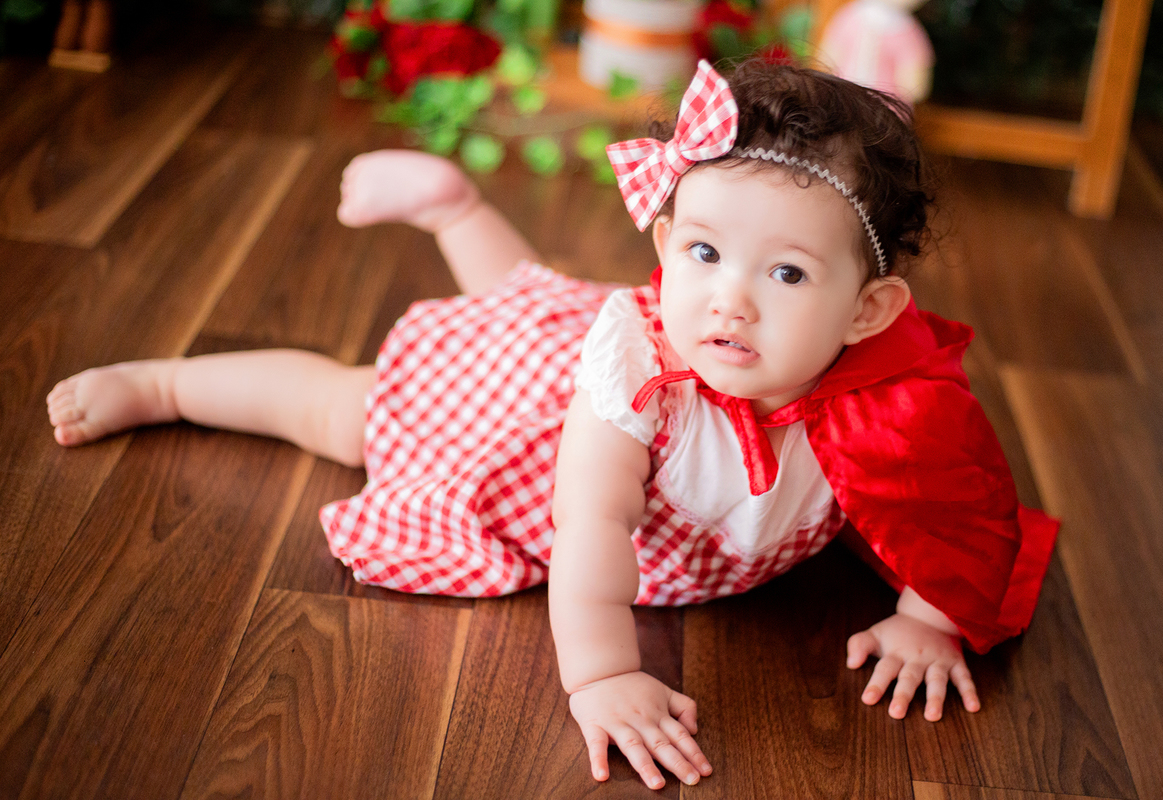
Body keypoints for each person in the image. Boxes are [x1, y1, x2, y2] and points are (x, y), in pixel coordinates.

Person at [46, 58, 1058, 791]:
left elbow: (954, 499)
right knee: (350, 410)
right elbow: (592, 527)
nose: (730, 301)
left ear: (870, 311)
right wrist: (605, 673)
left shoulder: (903, 393)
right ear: (666, 240)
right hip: (535, 424)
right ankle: (167, 383)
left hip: (644, 443)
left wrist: (929, 616)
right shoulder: (641, 375)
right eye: (703, 253)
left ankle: (456, 212)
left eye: (787, 273)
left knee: (532, 300)